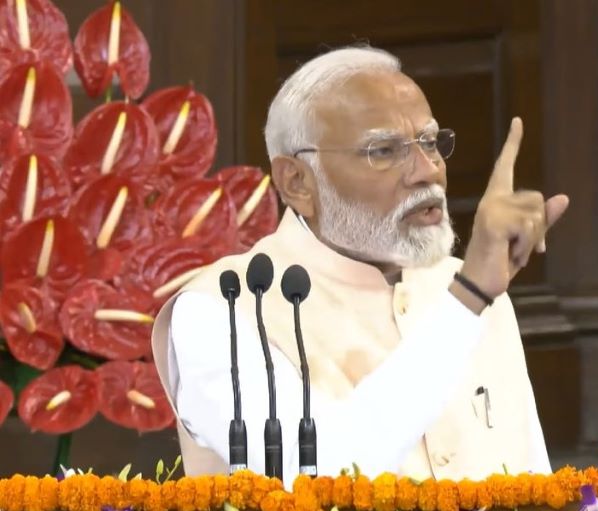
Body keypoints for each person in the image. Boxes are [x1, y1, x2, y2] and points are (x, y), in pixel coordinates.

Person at [150, 45, 570, 482]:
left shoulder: (470, 289)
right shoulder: (223, 308)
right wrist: (469, 298)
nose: (427, 170)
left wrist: (473, 294)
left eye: (430, 143)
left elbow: (535, 485)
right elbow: (315, 479)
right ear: (297, 182)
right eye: (384, 150)